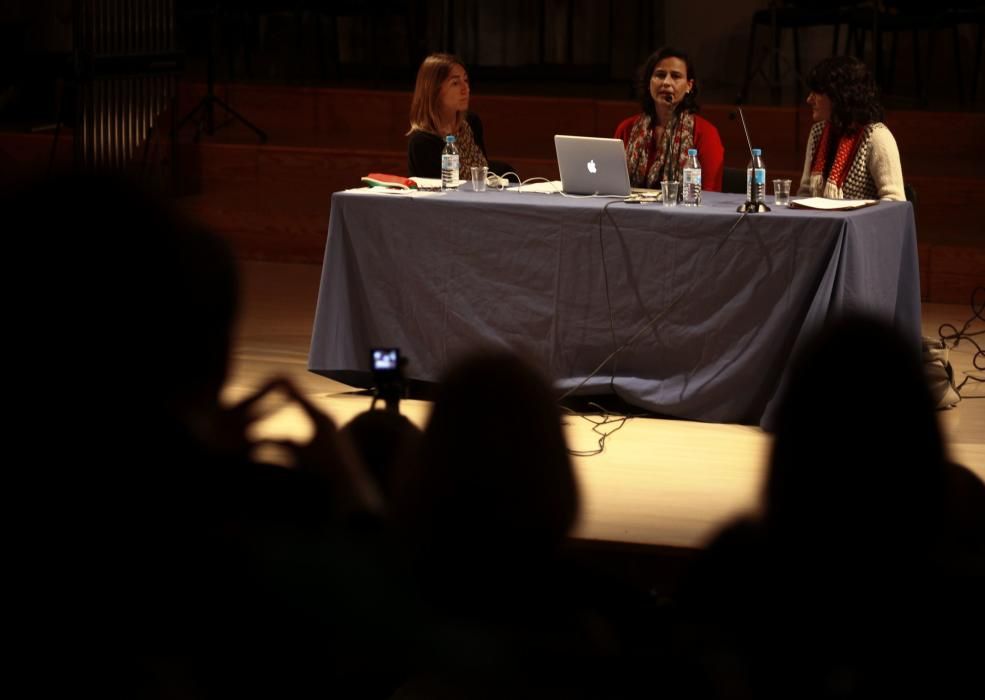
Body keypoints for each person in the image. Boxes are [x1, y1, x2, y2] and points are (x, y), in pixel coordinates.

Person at [615, 47, 724, 192]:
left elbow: (710, 193)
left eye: (676, 76)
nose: (666, 82)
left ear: (689, 86)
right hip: (630, 211)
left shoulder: (705, 133)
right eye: (660, 75)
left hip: (685, 213)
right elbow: (612, 184)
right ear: (649, 83)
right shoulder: (626, 129)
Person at [798, 55, 905, 201]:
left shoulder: (876, 137)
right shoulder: (817, 132)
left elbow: (894, 201)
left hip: (862, 224)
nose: (809, 99)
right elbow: (805, 193)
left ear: (837, 96)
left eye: (816, 93)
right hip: (824, 223)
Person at [407, 53, 512, 180]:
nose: (465, 88)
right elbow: (435, 195)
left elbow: (484, 173)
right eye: (455, 83)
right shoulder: (422, 142)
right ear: (434, 90)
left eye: (466, 80)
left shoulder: (471, 123)